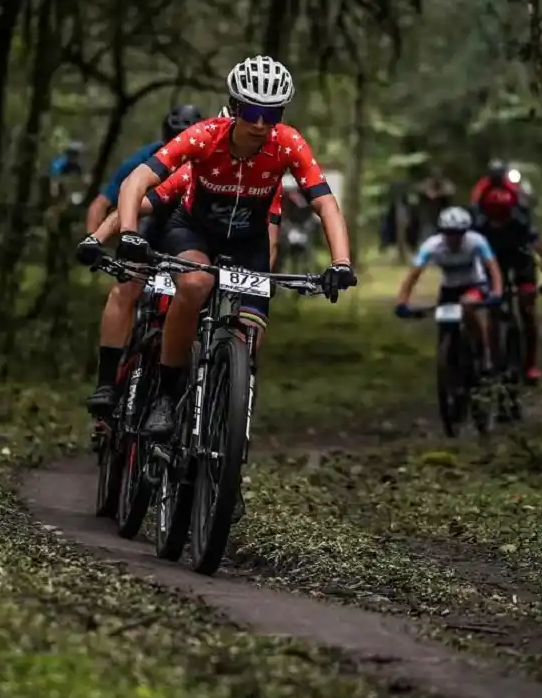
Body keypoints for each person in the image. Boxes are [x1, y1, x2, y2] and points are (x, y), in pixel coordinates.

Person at [113, 55, 356, 436]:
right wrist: (128, 232)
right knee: (195, 285)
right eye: (252, 110)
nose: (260, 123)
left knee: (251, 337)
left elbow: (325, 203)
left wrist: (341, 261)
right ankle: (165, 394)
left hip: (248, 243)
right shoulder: (205, 135)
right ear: (235, 106)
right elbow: (137, 181)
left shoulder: (288, 143)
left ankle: (223, 430)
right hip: (193, 231)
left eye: (272, 113)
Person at [77, 106, 285, 413]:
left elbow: (270, 235)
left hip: (212, 243)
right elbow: (120, 205)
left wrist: (257, 281)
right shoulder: (167, 163)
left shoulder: (260, 177)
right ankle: (108, 383)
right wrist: (96, 239)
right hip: (158, 231)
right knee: (130, 285)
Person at [469, 159, 542, 382]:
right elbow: (471, 252)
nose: (499, 223)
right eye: (495, 218)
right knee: (493, 309)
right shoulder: (481, 225)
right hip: (495, 260)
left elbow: (540, 246)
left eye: (503, 218)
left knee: (527, 307)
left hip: (520, 258)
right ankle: (495, 360)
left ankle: (531, 363)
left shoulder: (520, 221)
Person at [394, 207, 504, 372]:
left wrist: (497, 292)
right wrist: (402, 302)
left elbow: (493, 268)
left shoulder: (477, 241)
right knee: (445, 324)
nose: (453, 238)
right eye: (449, 233)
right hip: (449, 288)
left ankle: (483, 353)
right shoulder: (432, 246)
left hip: (475, 284)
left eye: (458, 233)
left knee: (468, 306)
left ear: (465, 232)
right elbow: (412, 276)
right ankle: (448, 362)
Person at [84, 105, 204, 233]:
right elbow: (100, 204)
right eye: (173, 142)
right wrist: (90, 241)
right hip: (152, 222)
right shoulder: (141, 161)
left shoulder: (210, 161)